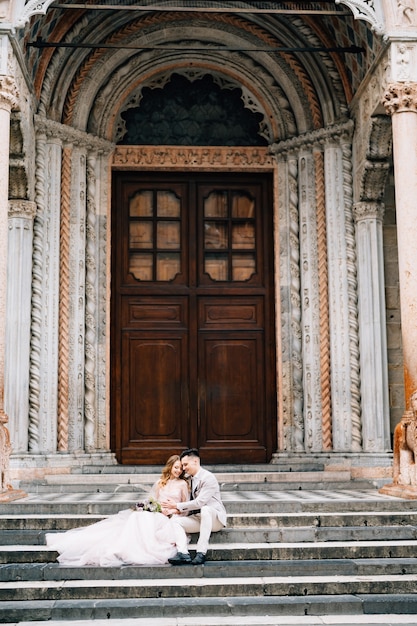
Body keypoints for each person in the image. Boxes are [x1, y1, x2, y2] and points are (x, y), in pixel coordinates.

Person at [45, 454, 189, 566]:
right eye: (175, 467)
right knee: (137, 517)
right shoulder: (160, 482)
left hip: (170, 517)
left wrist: (174, 510)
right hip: (156, 513)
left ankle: (139, 549)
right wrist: (153, 507)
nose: (178, 470)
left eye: (180, 468)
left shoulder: (183, 484)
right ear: (170, 467)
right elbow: (153, 499)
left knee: (145, 520)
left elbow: (186, 507)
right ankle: (127, 547)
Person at [161, 448, 227, 565]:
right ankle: (183, 553)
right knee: (177, 522)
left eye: (185, 465)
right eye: (182, 465)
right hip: (199, 517)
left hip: (215, 519)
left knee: (206, 509)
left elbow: (199, 502)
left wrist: (176, 505)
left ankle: (201, 552)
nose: (184, 468)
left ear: (195, 462)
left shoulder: (208, 478)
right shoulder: (190, 479)